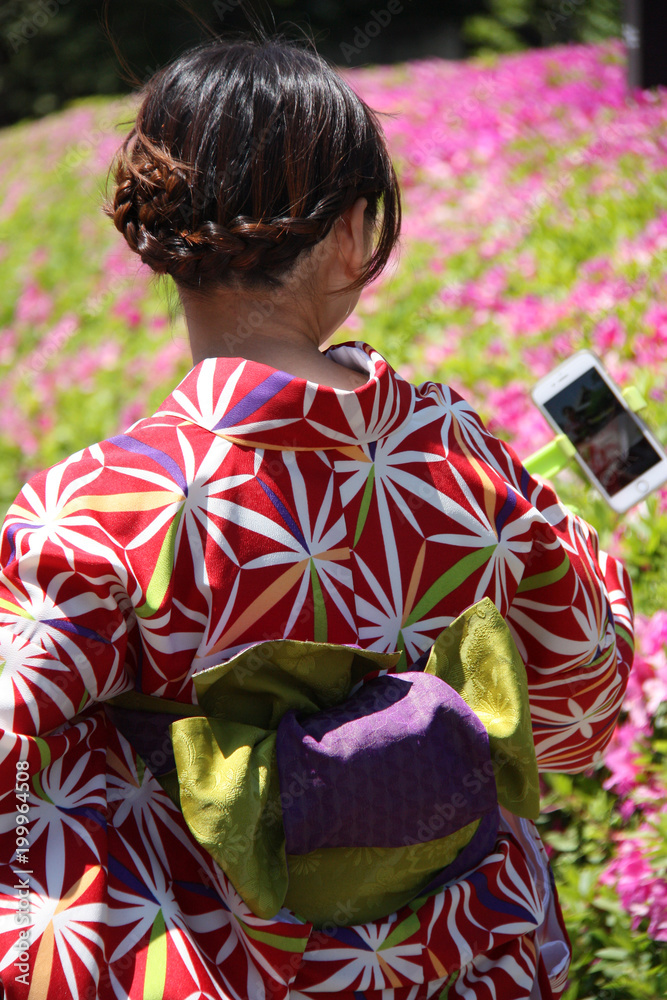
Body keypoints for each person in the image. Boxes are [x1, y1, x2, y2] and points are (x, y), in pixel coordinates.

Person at [0, 33, 634, 1000]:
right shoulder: (460, 461)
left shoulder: (91, 516)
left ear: (159, 232)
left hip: (231, 969)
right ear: (349, 232)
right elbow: (580, 714)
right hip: (473, 965)